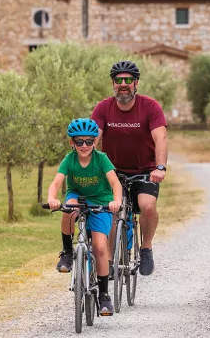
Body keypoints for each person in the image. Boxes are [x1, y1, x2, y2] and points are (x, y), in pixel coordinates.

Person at [90, 60, 168, 276]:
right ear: (113, 84)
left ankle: (146, 248)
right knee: (113, 212)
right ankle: (110, 261)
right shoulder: (103, 107)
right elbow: (93, 137)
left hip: (145, 170)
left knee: (148, 206)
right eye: (118, 80)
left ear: (136, 83)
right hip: (113, 172)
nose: (123, 84)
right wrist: (88, 163)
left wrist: (160, 167)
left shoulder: (150, 107)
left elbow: (160, 136)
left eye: (128, 80)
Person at [48, 118, 122, 316]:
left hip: (102, 201)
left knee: (99, 247)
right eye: (79, 142)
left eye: (89, 141)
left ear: (95, 142)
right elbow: (56, 183)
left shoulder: (101, 159)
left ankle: (104, 295)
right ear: (72, 143)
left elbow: (115, 183)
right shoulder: (69, 160)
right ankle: (66, 252)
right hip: (78, 197)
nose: (84, 146)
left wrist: (116, 201)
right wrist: (52, 198)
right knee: (69, 208)